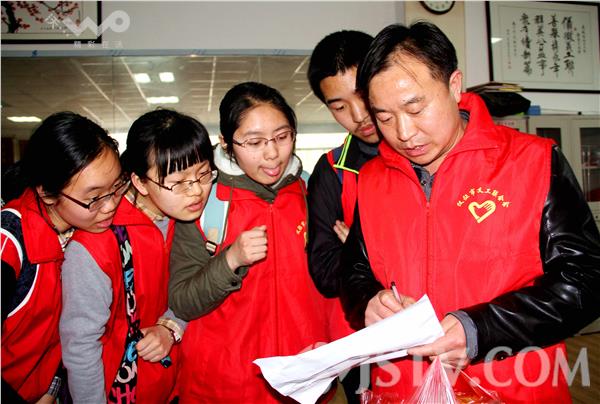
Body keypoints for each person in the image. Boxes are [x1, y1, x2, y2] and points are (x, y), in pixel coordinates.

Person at [340, 21, 600, 402]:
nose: (404, 132)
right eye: (385, 117)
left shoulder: (533, 162)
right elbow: (353, 271)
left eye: (416, 108)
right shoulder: (373, 179)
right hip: (402, 388)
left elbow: (587, 280)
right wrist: (369, 303)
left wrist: (480, 328)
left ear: (454, 85)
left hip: (512, 385)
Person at [168, 82, 334, 403]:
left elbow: (326, 292)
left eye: (282, 137)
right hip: (223, 388)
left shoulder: (311, 192)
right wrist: (230, 260)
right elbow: (183, 302)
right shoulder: (204, 202)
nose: (272, 154)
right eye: (254, 142)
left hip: (301, 380)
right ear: (226, 143)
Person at [59, 109, 215, 403]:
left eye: (203, 174)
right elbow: (81, 346)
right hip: (119, 391)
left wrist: (172, 326)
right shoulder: (97, 242)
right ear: (140, 182)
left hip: (177, 385)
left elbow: (195, 288)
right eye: (178, 182)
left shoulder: (191, 221)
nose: (196, 192)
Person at [1, 112, 123, 403]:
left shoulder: (75, 231)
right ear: (47, 193)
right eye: (94, 197)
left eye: (116, 187)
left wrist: (52, 389)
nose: (110, 206)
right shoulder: (10, 243)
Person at [306, 29, 377, 402]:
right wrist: (370, 254)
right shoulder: (332, 170)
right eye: (339, 106)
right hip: (361, 344)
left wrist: (358, 246)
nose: (359, 115)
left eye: (363, 94)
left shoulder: (424, 153)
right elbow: (324, 273)